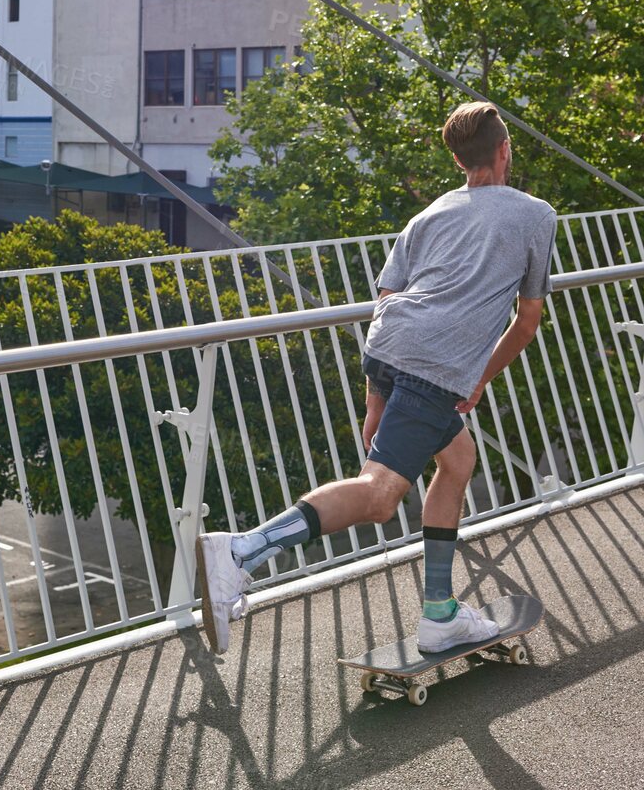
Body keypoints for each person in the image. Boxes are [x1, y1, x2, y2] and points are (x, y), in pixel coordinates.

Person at [195, 100, 558, 655]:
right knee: (380, 496)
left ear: (460, 160)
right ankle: (242, 550)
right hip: (433, 366)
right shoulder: (536, 215)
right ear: (505, 151)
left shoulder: (430, 214)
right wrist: (477, 377)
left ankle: (440, 613)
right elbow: (527, 321)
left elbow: (387, 299)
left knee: (457, 461)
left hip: (389, 347)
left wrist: (375, 399)